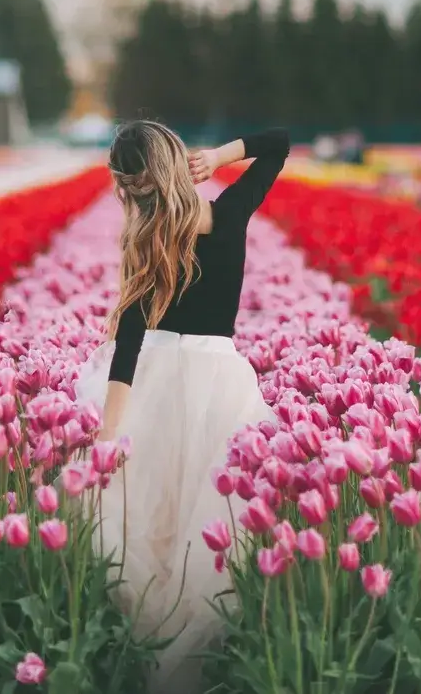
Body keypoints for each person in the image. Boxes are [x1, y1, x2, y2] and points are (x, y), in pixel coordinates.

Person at [75, 121, 290, 693]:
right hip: (220, 380)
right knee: (210, 525)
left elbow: (127, 344)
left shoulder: (148, 238)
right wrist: (218, 156)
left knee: (154, 525)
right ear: (178, 163)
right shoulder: (233, 210)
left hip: (154, 382)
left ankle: (146, 656)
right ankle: (199, 663)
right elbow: (280, 142)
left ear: (130, 188)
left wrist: (107, 434)